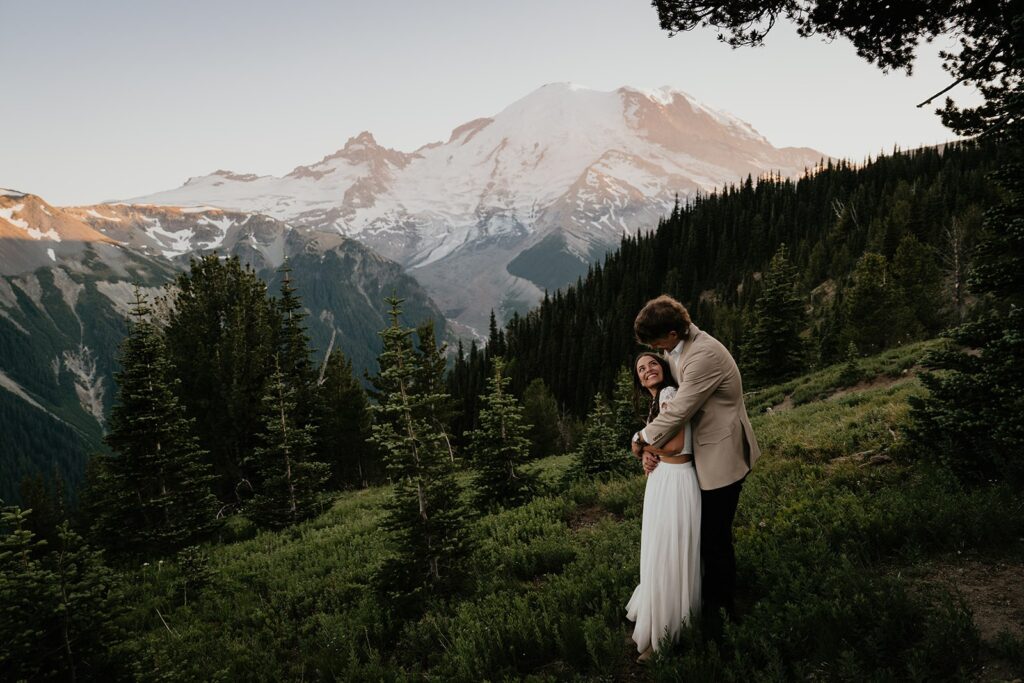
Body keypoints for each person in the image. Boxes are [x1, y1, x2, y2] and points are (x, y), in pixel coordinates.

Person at [630, 295, 760, 638]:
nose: (655, 350)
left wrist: (641, 438)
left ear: (672, 333)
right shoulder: (681, 348)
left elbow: (678, 410)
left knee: (715, 539)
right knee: (703, 535)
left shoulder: (704, 355)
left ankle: (723, 612)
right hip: (696, 454)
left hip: (721, 455)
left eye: (657, 342)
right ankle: (702, 601)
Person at [625, 352, 702, 663]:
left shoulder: (670, 394)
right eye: (641, 369)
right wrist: (643, 450)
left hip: (677, 481)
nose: (647, 371)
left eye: (652, 364)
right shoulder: (655, 402)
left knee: (669, 552)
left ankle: (666, 634)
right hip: (662, 480)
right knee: (661, 551)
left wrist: (639, 443)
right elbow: (660, 443)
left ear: (664, 367)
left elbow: (674, 445)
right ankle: (662, 617)